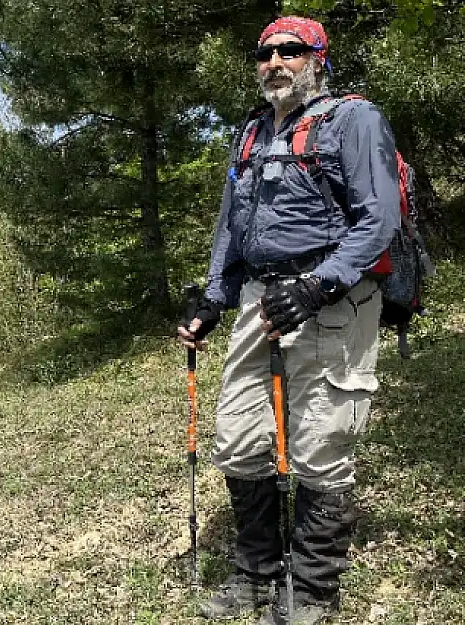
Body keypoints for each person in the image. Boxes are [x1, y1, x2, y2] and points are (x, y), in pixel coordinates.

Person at [177, 15, 401, 625]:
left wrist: (316, 285)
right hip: (258, 299)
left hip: (334, 301)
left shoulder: (356, 120)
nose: (275, 61)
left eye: (290, 51)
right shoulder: (249, 134)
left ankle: (309, 593)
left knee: (320, 446)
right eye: (266, 52)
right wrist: (213, 300)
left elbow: (379, 220)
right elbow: (231, 226)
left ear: (317, 58)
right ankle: (254, 574)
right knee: (239, 438)